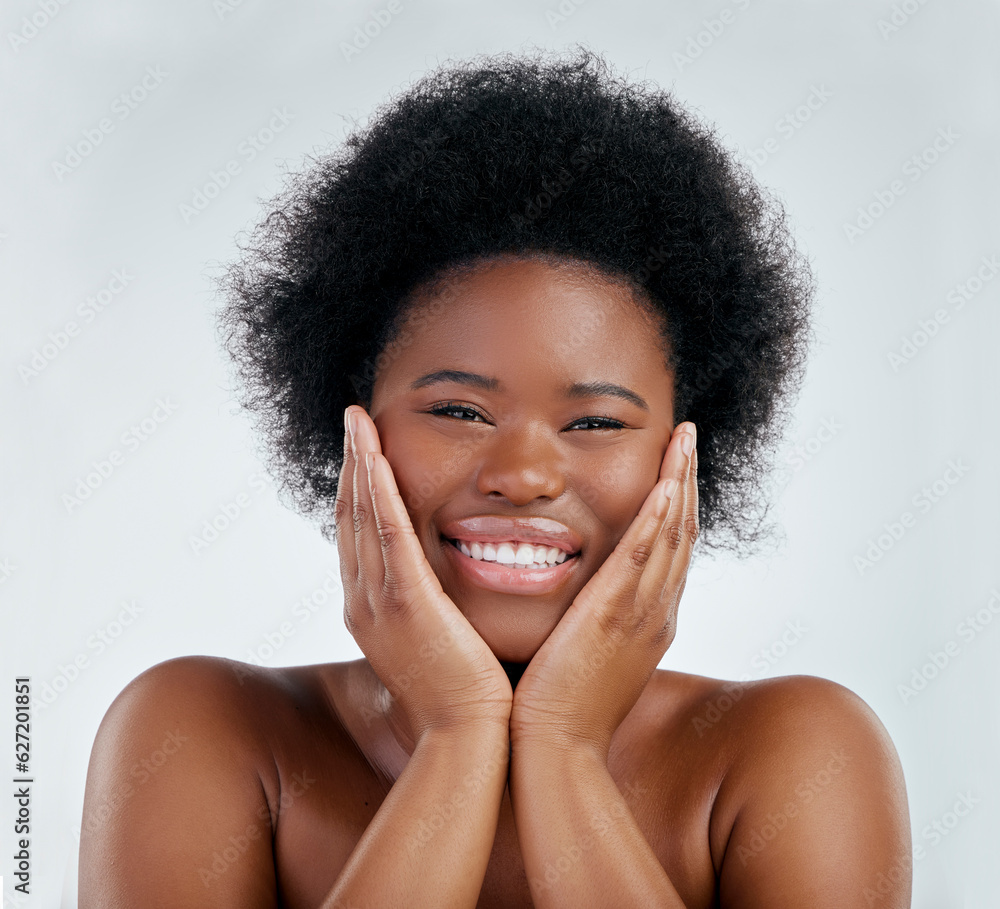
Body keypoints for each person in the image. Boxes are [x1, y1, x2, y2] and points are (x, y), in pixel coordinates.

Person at [79, 47, 911, 907]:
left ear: (688, 453)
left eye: (595, 422)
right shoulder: (199, 730)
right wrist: (456, 732)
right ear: (352, 421)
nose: (522, 475)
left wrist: (562, 745)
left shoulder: (796, 752)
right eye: (459, 411)